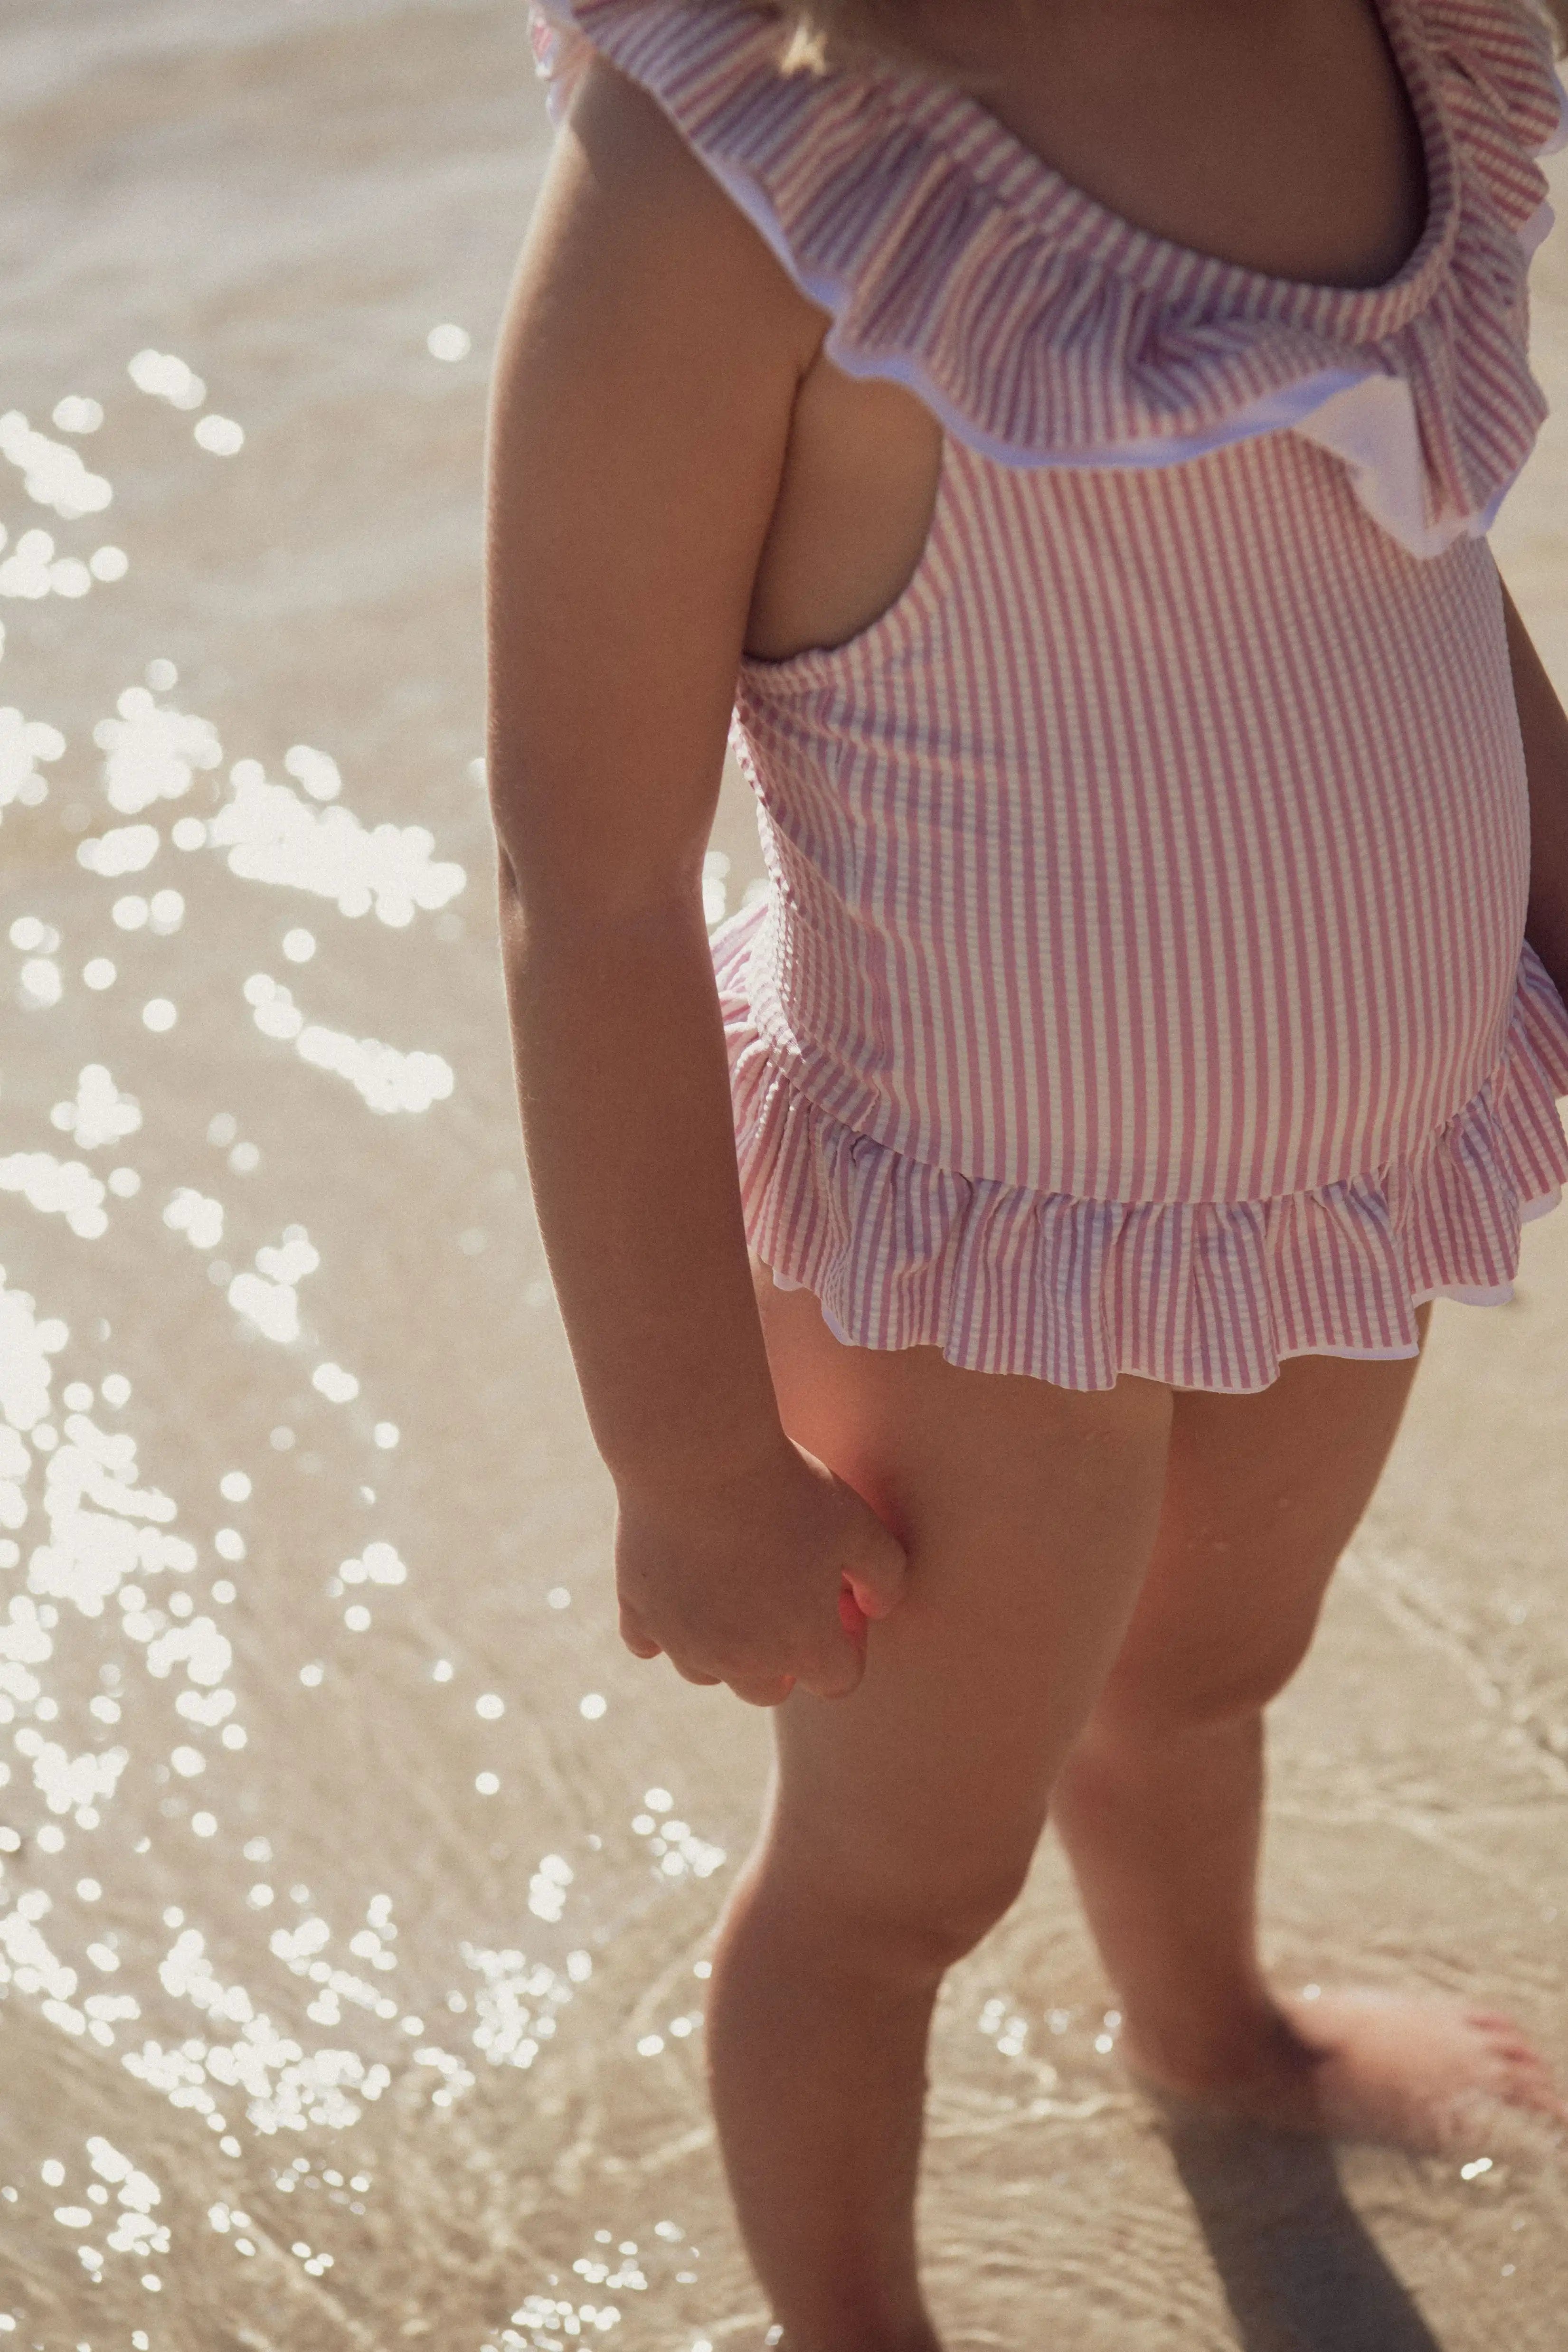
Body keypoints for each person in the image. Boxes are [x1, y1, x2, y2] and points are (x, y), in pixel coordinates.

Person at [484, 0, 1568, 2338]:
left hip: (1338, 1179)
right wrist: (689, 1465)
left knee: (1204, 1677)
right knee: (894, 1888)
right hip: (961, 1239)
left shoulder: (1384, 46)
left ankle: (1214, 2035)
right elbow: (587, 875)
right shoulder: (750, 172)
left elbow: (1411, 531)